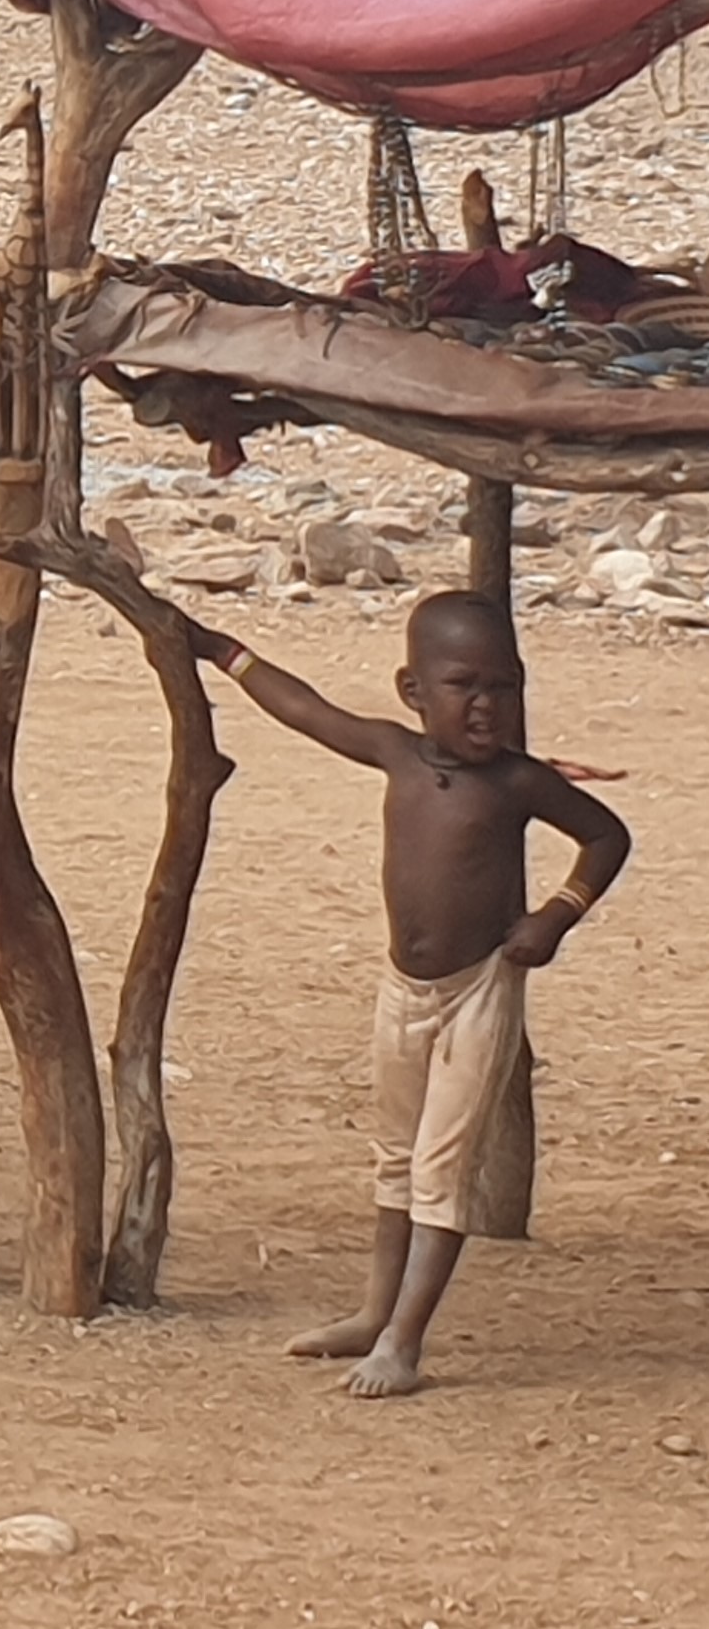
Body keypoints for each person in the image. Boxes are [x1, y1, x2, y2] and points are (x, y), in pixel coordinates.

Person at [186, 592, 630, 1398]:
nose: (485, 707)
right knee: (394, 1156)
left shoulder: (518, 784)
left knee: (441, 1166)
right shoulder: (395, 753)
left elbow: (605, 836)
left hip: (478, 991)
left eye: (503, 687)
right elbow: (306, 711)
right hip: (403, 989)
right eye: (462, 686)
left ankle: (402, 1341)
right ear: (411, 690)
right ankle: (371, 1313)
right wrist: (221, 649)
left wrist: (556, 915)